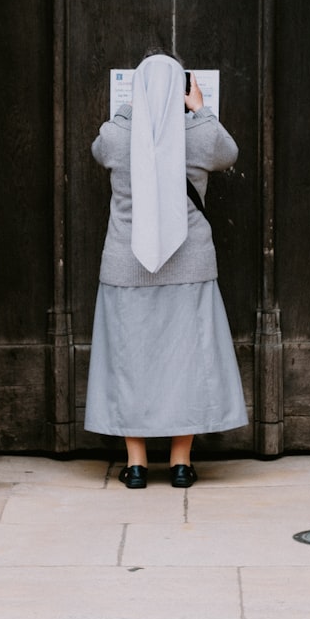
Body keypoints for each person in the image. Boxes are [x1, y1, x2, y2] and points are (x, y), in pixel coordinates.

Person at [84, 52, 248, 488]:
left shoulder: (118, 135)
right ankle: (180, 463)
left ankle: (136, 464)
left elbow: (99, 150)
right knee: (188, 361)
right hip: (189, 262)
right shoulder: (200, 136)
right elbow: (229, 152)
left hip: (125, 264)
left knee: (128, 362)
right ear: (183, 89)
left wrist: (128, 105)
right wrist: (199, 108)